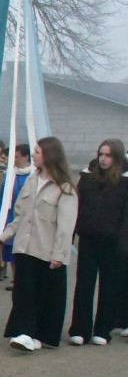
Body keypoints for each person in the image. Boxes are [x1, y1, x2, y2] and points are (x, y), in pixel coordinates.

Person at [0, 137, 78, 352]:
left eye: (38, 152)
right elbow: (20, 215)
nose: (34, 155)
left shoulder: (65, 188)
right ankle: (25, 333)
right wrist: (4, 236)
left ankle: (42, 336)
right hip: (24, 247)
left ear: (49, 155)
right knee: (23, 293)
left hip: (47, 251)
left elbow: (66, 226)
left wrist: (59, 253)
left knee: (46, 296)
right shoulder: (31, 180)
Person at [68, 139, 128, 345]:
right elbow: (77, 207)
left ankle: (102, 330)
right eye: (101, 153)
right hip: (88, 238)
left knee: (109, 286)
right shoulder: (87, 177)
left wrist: (123, 242)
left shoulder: (125, 181)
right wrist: (71, 233)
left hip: (112, 243)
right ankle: (79, 328)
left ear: (117, 157)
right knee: (84, 284)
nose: (103, 158)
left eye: (108, 155)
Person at [0, 144, 32, 287]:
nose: (14, 160)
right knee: (10, 250)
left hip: (26, 218)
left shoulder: (33, 175)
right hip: (10, 217)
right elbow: (2, 197)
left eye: (17, 157)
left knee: (22, 250)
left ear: (26, 157)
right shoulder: (11, 175)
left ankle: (21, 280)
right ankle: (15, 279)